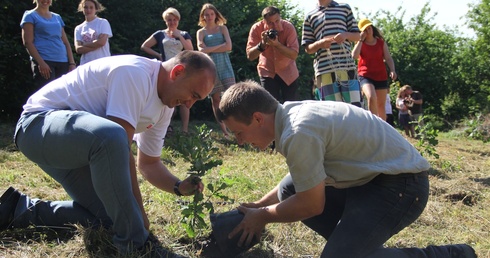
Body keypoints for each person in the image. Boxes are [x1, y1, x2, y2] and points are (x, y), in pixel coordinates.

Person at [216, 80, 477, 258]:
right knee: (289, 188)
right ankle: (355, 247)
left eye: (239, 133)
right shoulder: (290, 116)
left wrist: (262, 215)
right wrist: (258, 205)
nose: (240, 142)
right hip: (371, 182)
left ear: (258, 118)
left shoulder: (298, 132)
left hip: (402, 186)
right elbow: (301, 178)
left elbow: (311, 205)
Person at [2, 51, 216, 254]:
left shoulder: (165, 107)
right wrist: (138, 216)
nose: (190, 104)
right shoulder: (135, 74)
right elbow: (119, 145)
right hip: (37, 126)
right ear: (177, 72)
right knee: (113, 137)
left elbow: (149, 164)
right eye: (193, 94)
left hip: (82, 149)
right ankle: (137, 246)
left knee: (112, 217)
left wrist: (178, 187)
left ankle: (17, 209)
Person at [141, 7, 193, 133]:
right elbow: (144, 46)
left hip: (182, 70)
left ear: (178, 20)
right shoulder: (160, 34)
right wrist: (158, 55)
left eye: (174, 20)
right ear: (165, 21)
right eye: (169, 20)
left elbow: (191, 50)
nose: (172, 22)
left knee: (185, 99)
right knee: (166, 99)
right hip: (165, 69)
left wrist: (179, 36)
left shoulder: (184, 34)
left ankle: (185, 129)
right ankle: (166, 126)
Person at [302, 0, 362, 107]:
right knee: (332, 111)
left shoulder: (344, 8)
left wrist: (345, 35)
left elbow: (357, 36)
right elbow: (308, 48)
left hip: (347, 67)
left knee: (355, 108)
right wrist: (320, 44)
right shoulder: (310, 16)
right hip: (324, 70)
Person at [246, 6, 299, 104]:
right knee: (270, 108)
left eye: (277, 21)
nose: (275, 25)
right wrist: (262, 44)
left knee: (292, 107)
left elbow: (294, 55)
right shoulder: (257, 28)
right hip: (267, 72)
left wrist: (277, 45)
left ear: (280, 17)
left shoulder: (288, 27)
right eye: (270, 23)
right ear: (264, 21)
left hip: (288, 72)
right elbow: (250, 56)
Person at [197, 3, 235, 137]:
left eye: (211, 14)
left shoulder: (223, 28)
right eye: (206, 14)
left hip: (224, 64)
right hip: (210, 67)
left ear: (215, 15)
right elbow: (201, 50)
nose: (209, 17)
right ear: (203, 16)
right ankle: (224, 130)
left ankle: (235, 125)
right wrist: (220, 46)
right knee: (216, 98)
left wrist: (210, 49)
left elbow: (229, 47)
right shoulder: (200, 32)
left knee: (232, 95)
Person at [21, 0, 76, 89]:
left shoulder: (57, 17)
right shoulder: (30, 16)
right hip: (45, 61)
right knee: (47, 95)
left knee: (63, 94)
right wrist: (41, 63)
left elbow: (66, 42)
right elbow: (28, 42)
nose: (45, 1)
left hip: (62, 61)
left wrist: (72, 63)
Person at [352, 18, 397, 120]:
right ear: (361, 32)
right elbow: (354, 56)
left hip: (381, 75)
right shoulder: (360, 43)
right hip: (365, 75)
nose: (368, 31)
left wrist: (393, 70)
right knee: (372, 98)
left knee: (381, 105)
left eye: (369, 28)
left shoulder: (381, 42)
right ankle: (373, 124)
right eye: (365, 30)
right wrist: (360, 39)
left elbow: (388, 58)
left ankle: (382, 130)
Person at [74, 0, 113, 65]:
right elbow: (78, 49)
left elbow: (101, 42)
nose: (88, 10)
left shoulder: (103, 23)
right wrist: (95, 43)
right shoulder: (79, 28)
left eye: (91, 7)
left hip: (103, 63)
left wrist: (84, 44)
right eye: (85, 7)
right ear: (82, 9)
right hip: (86, 64)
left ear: (96, 9)